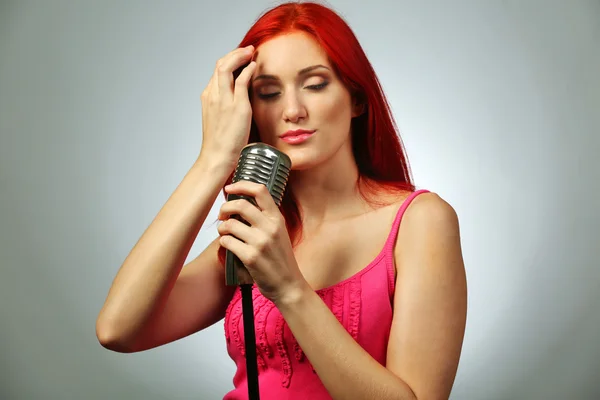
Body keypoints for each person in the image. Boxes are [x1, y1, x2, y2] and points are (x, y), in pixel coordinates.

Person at [96, 2, 468, 399]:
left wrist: (289, 289)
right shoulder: (258, 228)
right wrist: (213, 160)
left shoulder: (421, 222)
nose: (292, 111)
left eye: (315, 84)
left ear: (356, 98)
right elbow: (119, 329)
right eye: (269, 93)